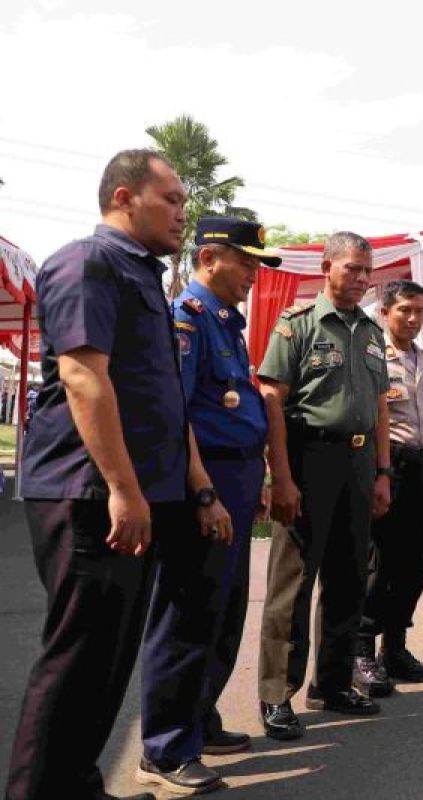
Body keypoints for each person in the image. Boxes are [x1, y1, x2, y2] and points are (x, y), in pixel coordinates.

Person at [9, 149, 189, 800]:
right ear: (123, 196)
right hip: (90, 492)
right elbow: (84, 376)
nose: (181, 213)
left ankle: (76, 783)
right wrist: (122, 487)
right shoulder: (90, 262)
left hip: (130, 493)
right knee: (77, 656)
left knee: (108, 661)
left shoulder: (140, 274)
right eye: (170, 198)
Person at [137, 218, 280, 794]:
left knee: (222, 612)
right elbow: (177, 415)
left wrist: (259, 475)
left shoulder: (225, 322)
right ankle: (164, 747)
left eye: (256, 264)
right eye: (245, 261)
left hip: (238, 477)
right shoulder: (187, 319)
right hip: (209, 481)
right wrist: (204, 492)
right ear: (210, 257)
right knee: (188, 613)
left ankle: (198, 717)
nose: (252, 274)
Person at [256, 232, 392, 740]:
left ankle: (330, 684)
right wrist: (282, 477)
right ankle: (276, 694)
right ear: (327, 267)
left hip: (359, 463)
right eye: (352, 268)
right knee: (293, 583)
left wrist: (382, 473)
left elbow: (380, 406)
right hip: (310, 460)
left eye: (366, 271)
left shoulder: (371, 331)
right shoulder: (298, 326)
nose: (361, 279)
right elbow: (273, 400)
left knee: (348, 577)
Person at [353, 280, 423, 698]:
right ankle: (360, 651)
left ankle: (394, 649)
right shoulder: (372, 358)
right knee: (379, 564)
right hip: (386, 469)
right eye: (404, 311)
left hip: (421, 470)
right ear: (385, 312)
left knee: (417, 560)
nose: (412, 319)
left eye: (419, 311)